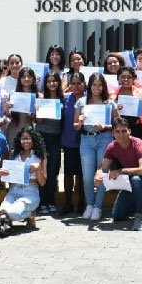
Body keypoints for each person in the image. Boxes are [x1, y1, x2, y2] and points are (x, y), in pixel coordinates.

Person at [95, 117, 142, 230]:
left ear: (129, 131)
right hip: (129, 182)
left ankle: (140, 217)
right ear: (113, 133)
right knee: (117, 216)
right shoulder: (112, 146)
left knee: (136, 179)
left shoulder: (139, 144)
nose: (121, 134)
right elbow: (103, 167)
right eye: (117, 131)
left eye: (124, 131)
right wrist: (98, 174)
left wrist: (120, 171)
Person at [75, 73, 119, 221]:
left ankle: (98, 207)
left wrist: (106, 126)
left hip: (104, 137)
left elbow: (117, 125)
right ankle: (90, 204)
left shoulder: (109, 103)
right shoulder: (81, 102)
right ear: (89, 86)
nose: (97, 88)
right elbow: (75, 126)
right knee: (87, 176)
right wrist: (80, 122)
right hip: (87, 139)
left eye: (100, 85)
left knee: (102, 173)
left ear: (104, 86)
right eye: (94, 84)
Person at [0, 126, 47, 227]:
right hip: (13, 190)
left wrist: (38, 170)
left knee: (11, 213)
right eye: (23, 138)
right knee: (1, 212)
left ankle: (30, 213)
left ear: (34, 139)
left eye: (28, 138)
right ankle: (9, 216)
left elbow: (42, 182)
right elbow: (8, 177)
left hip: (30, 192)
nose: (25, 141)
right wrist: (1, 173)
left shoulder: (40, 156)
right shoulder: (14, 154)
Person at [36, 72, 64, 215]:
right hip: (42, 136)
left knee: (53, 170)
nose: (52, 84)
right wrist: (40, 111)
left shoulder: (62, 98)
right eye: (49, 81)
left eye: (55, 81)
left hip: (56, 137)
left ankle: (51, 201)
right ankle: (42, 202)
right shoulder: (41, 97)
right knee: (43, 170)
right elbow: (38, 121)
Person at [60, 72, 87, 215]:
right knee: (69, 174)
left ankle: (81, 204)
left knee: (82, 175)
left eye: (79, 83)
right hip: (69, 141)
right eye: (73, 83)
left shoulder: (90, 99)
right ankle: (68, 203)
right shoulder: (65, 99)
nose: (76, 86)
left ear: (84, 84)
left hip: (85, 141)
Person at [113, 66, 142, 148]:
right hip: (119, 131)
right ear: (118, 78)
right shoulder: (112, 94)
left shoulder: (141, 93)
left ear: (133, 79)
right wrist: (115, 108)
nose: (126, 79)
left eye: (129, 77)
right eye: (122, 77)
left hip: (137, 130)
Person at [4, 67, 39, 146]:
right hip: (14, 128)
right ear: (19, 79)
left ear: (33, 78)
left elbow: (37, 120)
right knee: (12, 153)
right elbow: (9, 115)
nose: (26, 79)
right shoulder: (13, 94)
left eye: (29, 77)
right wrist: (7, 108)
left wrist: (36, 112)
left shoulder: (38, 96)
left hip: (29, 129)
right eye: (23, 77)